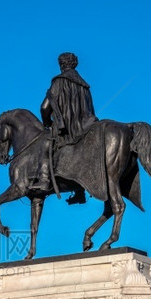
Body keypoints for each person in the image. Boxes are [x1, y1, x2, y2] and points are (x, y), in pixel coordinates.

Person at [34, 52, 98, 200]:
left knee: (45, 144)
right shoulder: (84, 85)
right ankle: (79, 191)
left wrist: (47, 123)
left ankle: (44, 180)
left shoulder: (59, 81)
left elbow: (44, 108)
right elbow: (90, 109)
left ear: (61, 65)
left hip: (68, 127)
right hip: (87, 126)